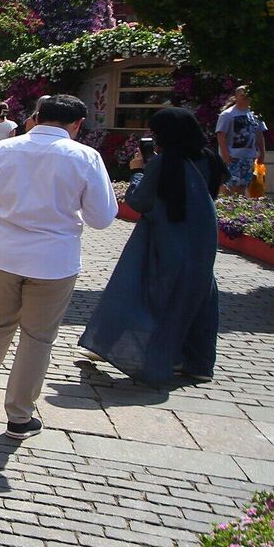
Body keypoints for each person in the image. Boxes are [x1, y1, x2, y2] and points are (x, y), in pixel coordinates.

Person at [0, 95, 118, 439]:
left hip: (5, 253)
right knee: (37, 337)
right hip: (53, 260)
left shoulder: (4, 150)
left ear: (36, 117)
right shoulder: (85, 157)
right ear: (77, 125)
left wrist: (15, 206)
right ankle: (18, 415)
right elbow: (102, 217)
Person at [79, 108, 224, 384]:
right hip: (202, 240)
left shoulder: (165, 163)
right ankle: (196, 361)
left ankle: (130, 349)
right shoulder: (210, 159)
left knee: (144, 291)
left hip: (165, 240)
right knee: (200, 297)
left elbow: (140, 201)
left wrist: (137, 173)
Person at [215, 86, 266, 196]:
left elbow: (259, 134)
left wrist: (262, 153)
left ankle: (238, 209)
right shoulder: (228, 114)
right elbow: (221, 135)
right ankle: (228, 208)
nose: (246, 98)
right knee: (231, 186)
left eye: (248, 96)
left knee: (244, 187)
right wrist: (225, 155)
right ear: (236, 97)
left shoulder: (255, 115)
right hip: (233, 157)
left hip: (249, 157)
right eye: (243, 96)